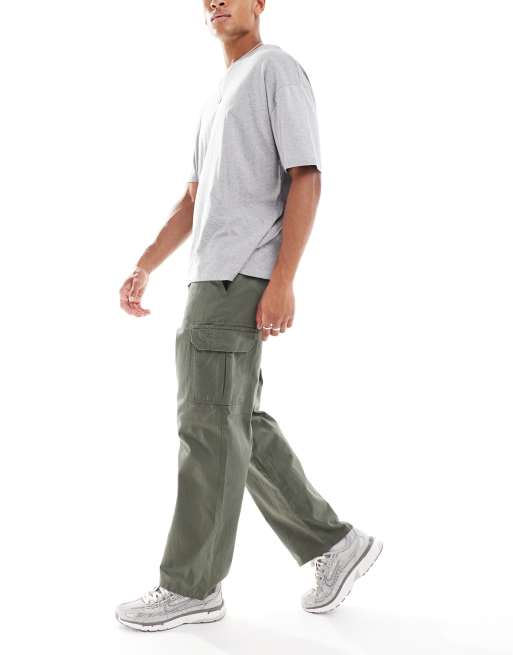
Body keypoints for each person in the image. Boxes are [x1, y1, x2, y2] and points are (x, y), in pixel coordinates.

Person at [115, 0, 382, 632]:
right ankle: (335, 544)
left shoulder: (274, 70)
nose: (215, 2)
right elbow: (193, 199)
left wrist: (282, 280)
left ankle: (192, 586)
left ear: (259, 3)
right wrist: (146, 264)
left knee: (207, 425)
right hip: (210, 274)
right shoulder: (219, 93)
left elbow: (307, 177)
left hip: (237, 276)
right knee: (236, 420)